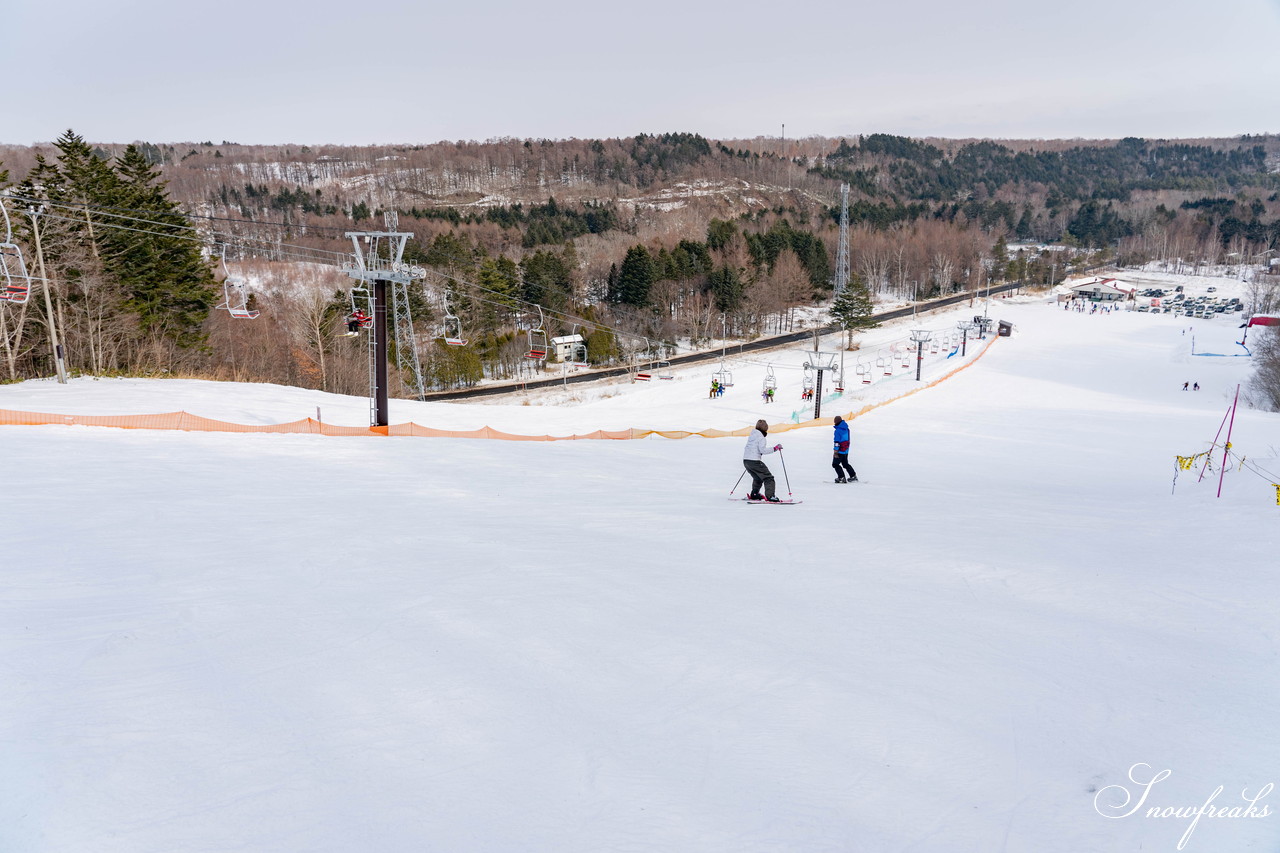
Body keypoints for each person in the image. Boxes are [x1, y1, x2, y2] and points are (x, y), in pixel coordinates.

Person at [742, 418, 782, 502]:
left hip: (746, 461)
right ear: (765, 429)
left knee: (757, 478)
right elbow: (762, 450)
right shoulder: (761, 438)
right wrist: (775, 448)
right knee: (768, 478)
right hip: (754, 461)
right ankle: (770, 496)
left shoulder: (752, 436)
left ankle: (755, 494)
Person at [832, 415, 858, 483]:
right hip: (846, 450)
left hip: (840, 451)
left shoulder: (837, 431)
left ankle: (841, 477)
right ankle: (853, 476)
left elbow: (837, 442)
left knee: (835, 464)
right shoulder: (847, 429)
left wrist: (835, 452)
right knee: (845, 464)